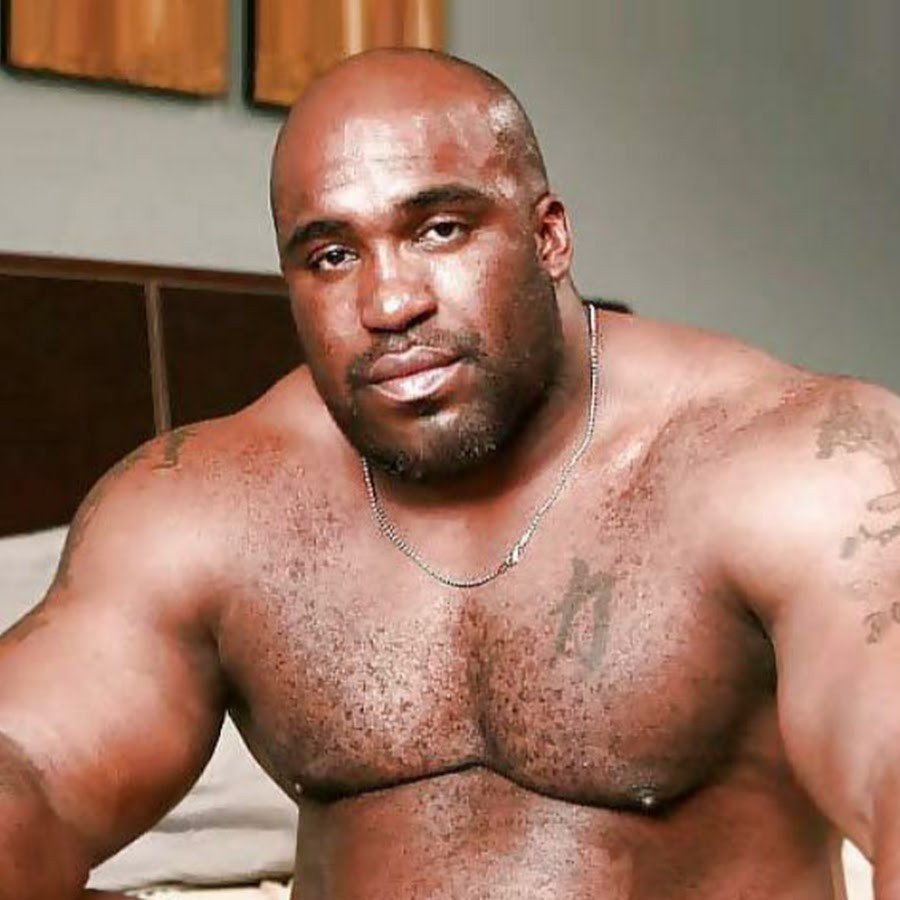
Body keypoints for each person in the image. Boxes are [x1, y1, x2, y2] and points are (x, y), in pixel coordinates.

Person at [1, 48, 899, 900]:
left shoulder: (793, 461)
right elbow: (30, 767)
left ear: (549, 236)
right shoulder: (209, 506)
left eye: (439, 229)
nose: (390, 303)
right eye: (332, 255)